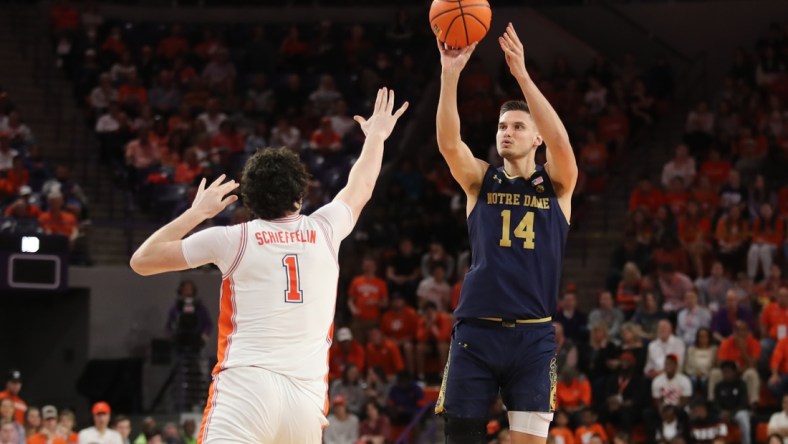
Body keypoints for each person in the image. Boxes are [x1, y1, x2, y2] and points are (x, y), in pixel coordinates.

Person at [129, 87, 408, 443]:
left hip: (246, 389)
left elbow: (142, 260)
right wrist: (377, 137)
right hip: (305, 402)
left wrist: (196, 213)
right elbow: (361, 185)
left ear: (250, 198)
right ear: (301, 192)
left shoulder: (232, 238)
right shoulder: (325, 228)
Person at [434, 23, 577, 443]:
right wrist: (450, 74)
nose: (507, 133)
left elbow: (563, 142)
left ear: (536, 137)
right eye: (502, 127)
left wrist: (522, 75)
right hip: (476, 332)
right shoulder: (481, 180)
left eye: (517, 126)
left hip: (532, 335)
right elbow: (448, 143)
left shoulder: (558, 185)